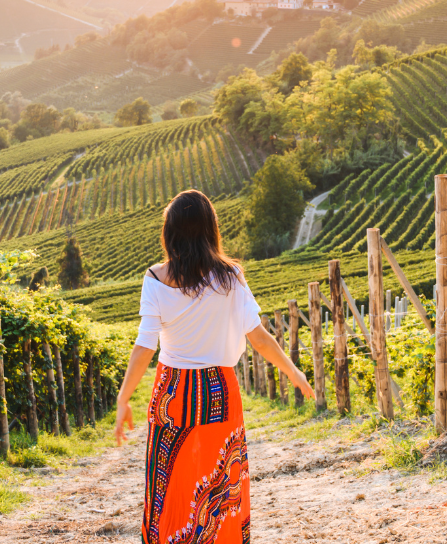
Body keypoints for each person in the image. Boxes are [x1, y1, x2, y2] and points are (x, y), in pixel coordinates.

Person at [113, 190, 314, 543]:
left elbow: (145, 345)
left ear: (170, 231)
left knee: (170, 486)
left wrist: (123, 399)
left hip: (171, 393)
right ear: (211, 229)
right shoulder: (230, 278)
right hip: (219, 390)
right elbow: (260, 338)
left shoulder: (155, 279)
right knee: (220, 485)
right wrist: (293, 372)